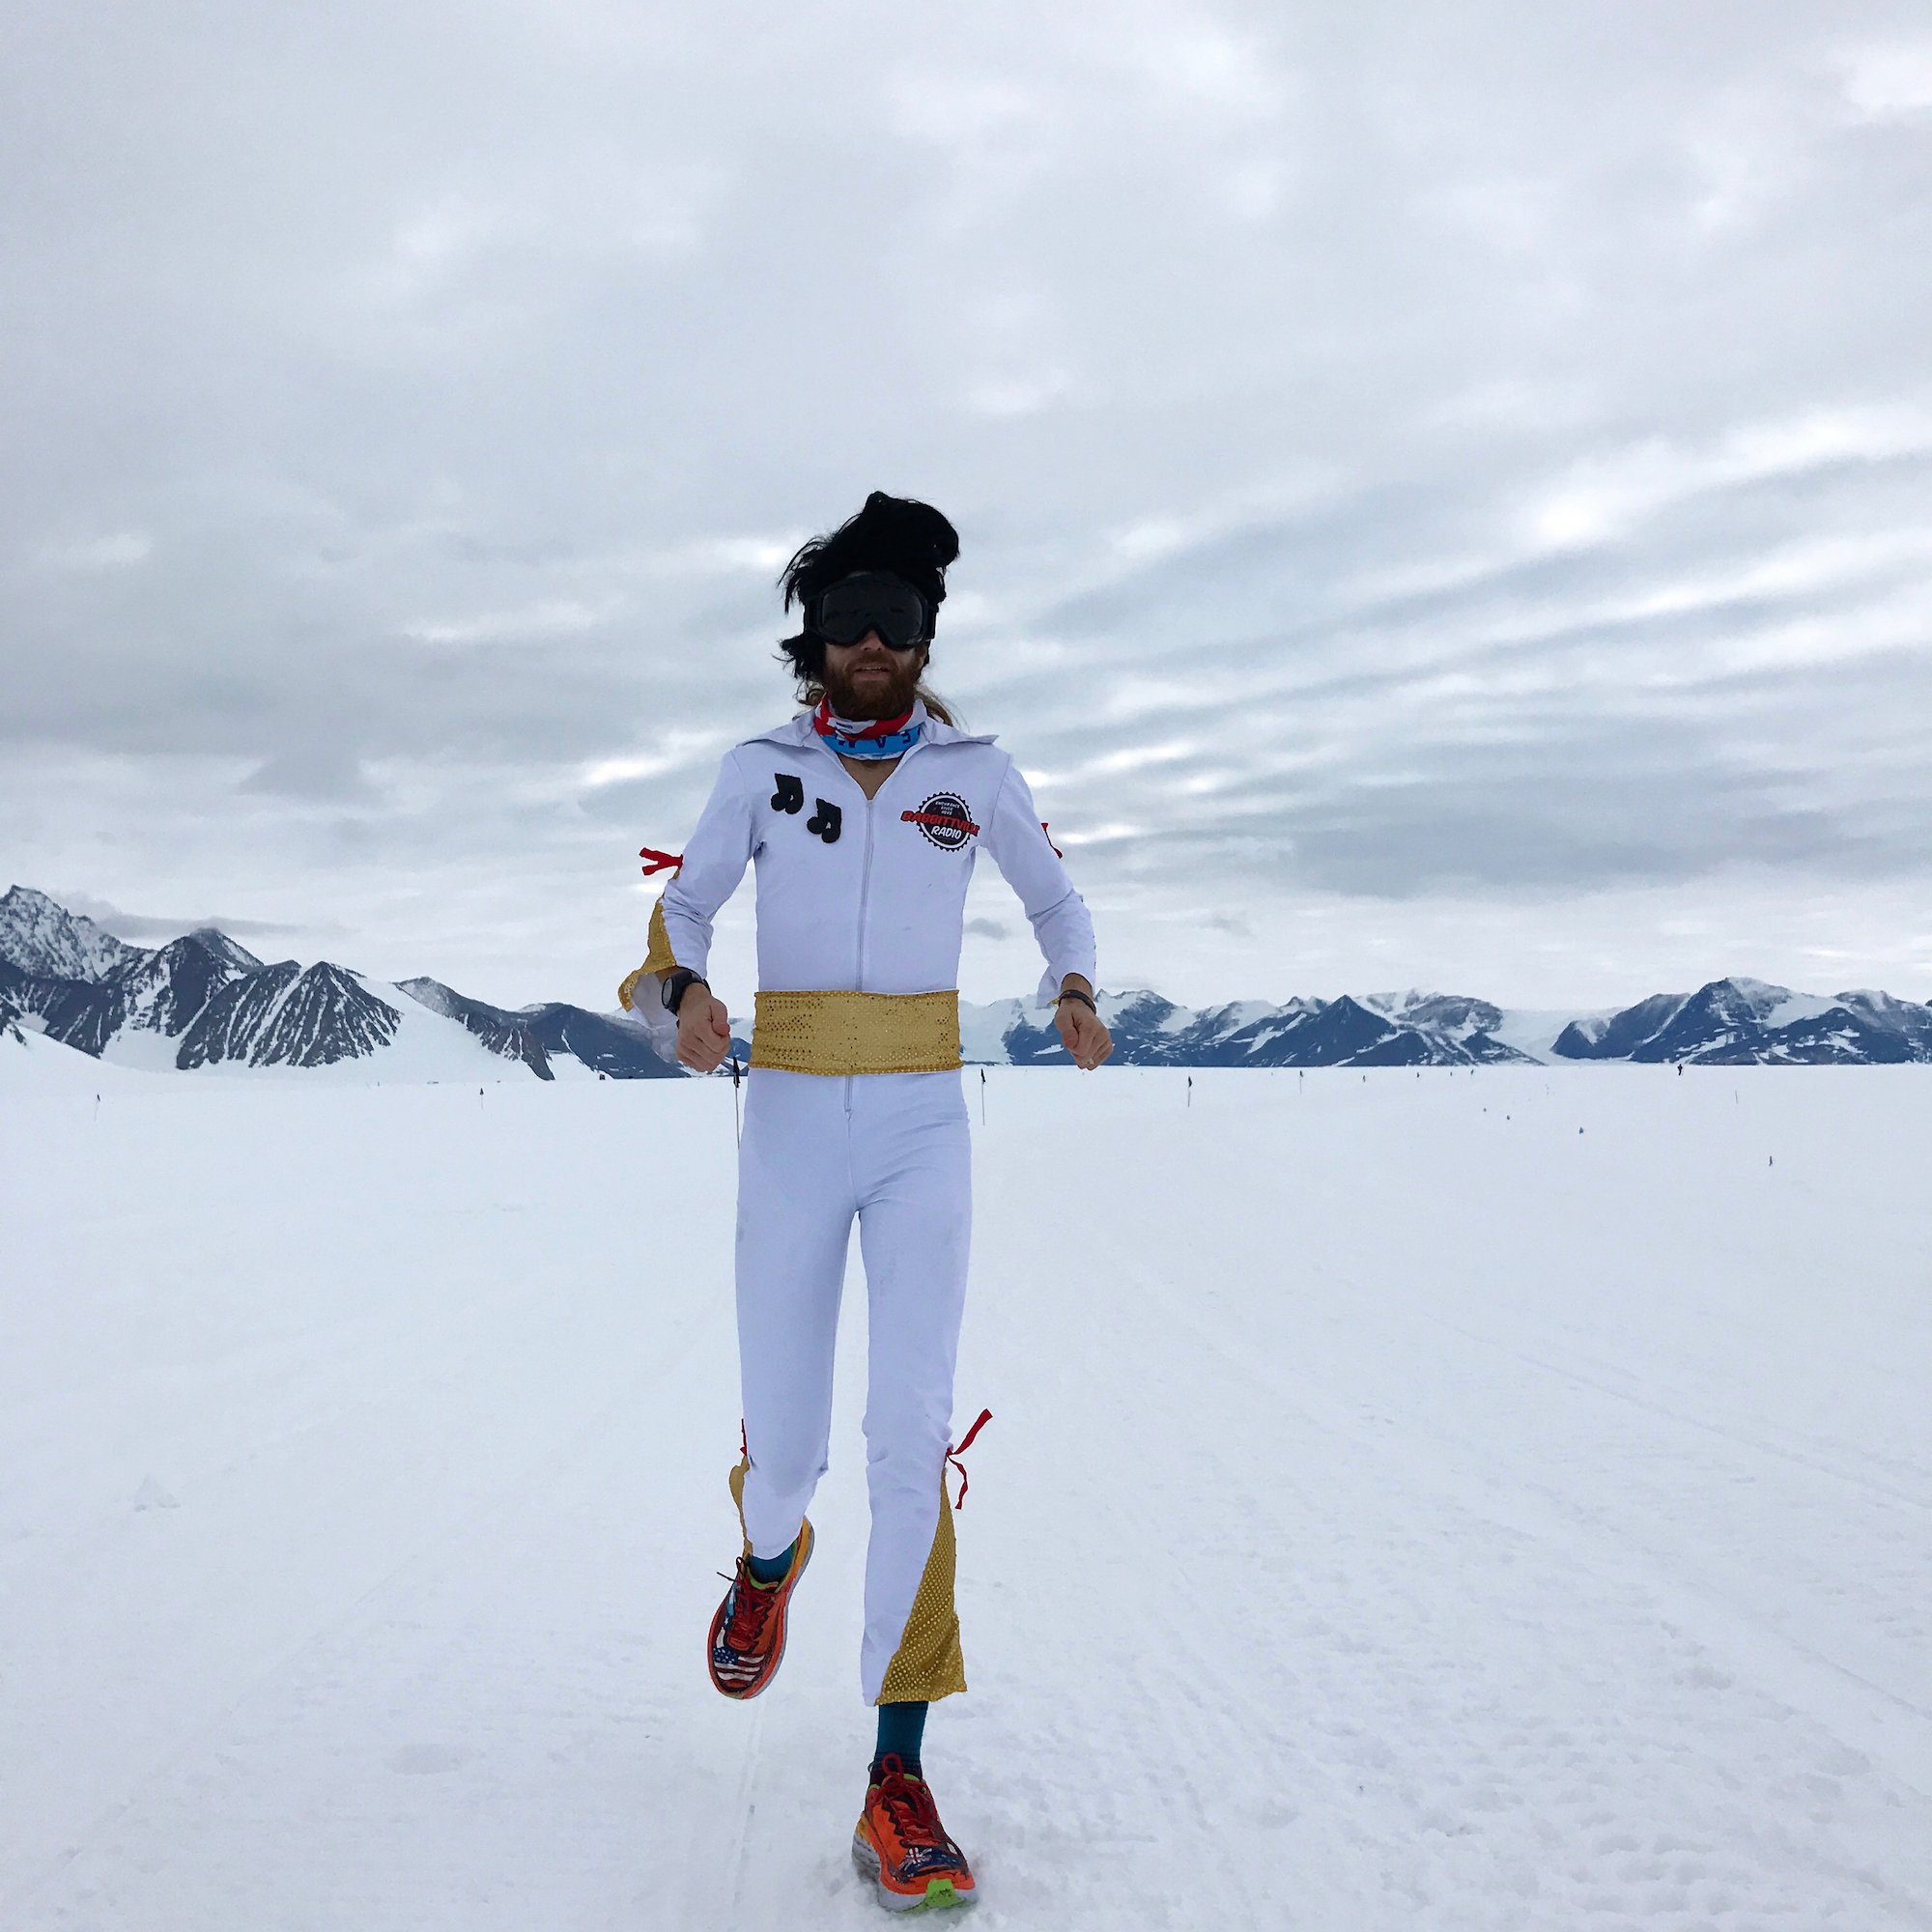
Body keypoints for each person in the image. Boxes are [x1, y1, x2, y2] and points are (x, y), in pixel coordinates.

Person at [618, 491, 1111, 1911]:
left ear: (929, 633)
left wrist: (1072, 986)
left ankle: (897, 1777)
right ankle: (768, 1554)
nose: (875, 640)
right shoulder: (760, 769)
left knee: (909, 1436)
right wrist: (686, 994)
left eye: (899, 618)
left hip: (918, 1126)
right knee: (790, 1450)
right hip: (784, 1120)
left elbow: (1058, 905)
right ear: (813, 644)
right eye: (847, 620)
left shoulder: (979, 773)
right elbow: (680, 919)